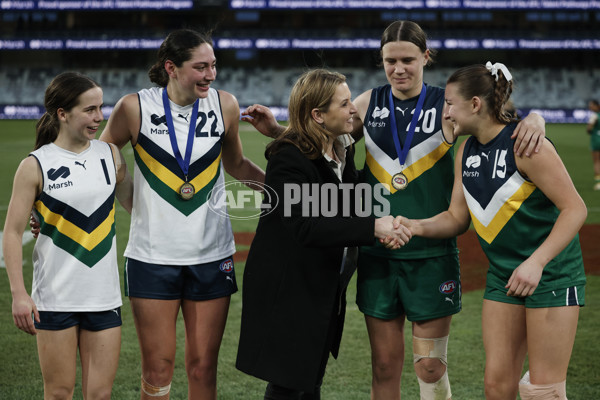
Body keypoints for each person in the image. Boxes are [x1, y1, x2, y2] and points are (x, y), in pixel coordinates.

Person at [242, 20, 546, 400]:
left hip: (430, 252)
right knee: (384, 366)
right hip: (377, 253)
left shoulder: (446, 105)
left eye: (408, 59)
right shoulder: (367, 103)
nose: (399, 68)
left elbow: (494, 123)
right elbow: (316, 136)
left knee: (431, 366)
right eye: (390, 60)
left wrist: (536, 118)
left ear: (426, 57)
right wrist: (278, 132)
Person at [400, 62, 587, 400]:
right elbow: (457, 218)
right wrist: (414, 226)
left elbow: (575, 209)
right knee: (496, 388)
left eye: (450, 104)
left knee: (542, 392)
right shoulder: (464, 151)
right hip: (504, 277)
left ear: (475, 104)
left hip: (552, 275)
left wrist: (537, 262)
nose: (445, 113)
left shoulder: (527, 145)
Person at [98, 29, 265, 400]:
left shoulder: (225, 105)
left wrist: (285, 193)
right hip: (151, 256)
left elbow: (236, 164)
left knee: (202, 366)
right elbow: (102, 160)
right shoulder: (133, 107)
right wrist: (131, 200)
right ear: (171, 68)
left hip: (212, 254)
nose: (211, 75)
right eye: (201, 67)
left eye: (214, 66)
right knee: (157, 370)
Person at [236, 68, 412, 399]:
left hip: (321, 284)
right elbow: (304, 224)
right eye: (344, 104)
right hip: (289, 287)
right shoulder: (287, 157)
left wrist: (386, 221)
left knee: (308, 381)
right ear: (318, 115)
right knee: (289, 384)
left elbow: (348, 203)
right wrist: (373, 227)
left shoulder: (340, 149)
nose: (353, 110)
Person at [3, 72, 133, 399]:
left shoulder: (111, 156)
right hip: (55, 298)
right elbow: (12, 232)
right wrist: (19, 294)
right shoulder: (35, 165)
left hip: (103, 298)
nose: (99, 117)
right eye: (89, 110)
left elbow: (137, 206)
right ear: (62, 114)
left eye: (100, 108)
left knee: (100, 395)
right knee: (60, 393)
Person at [586, 99, 600, 190]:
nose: (590, 107)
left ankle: (598, 179)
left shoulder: (594, 116)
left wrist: (591, 131)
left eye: (591, 105)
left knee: (597, 161)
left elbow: (589, 128)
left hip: (596, 139)